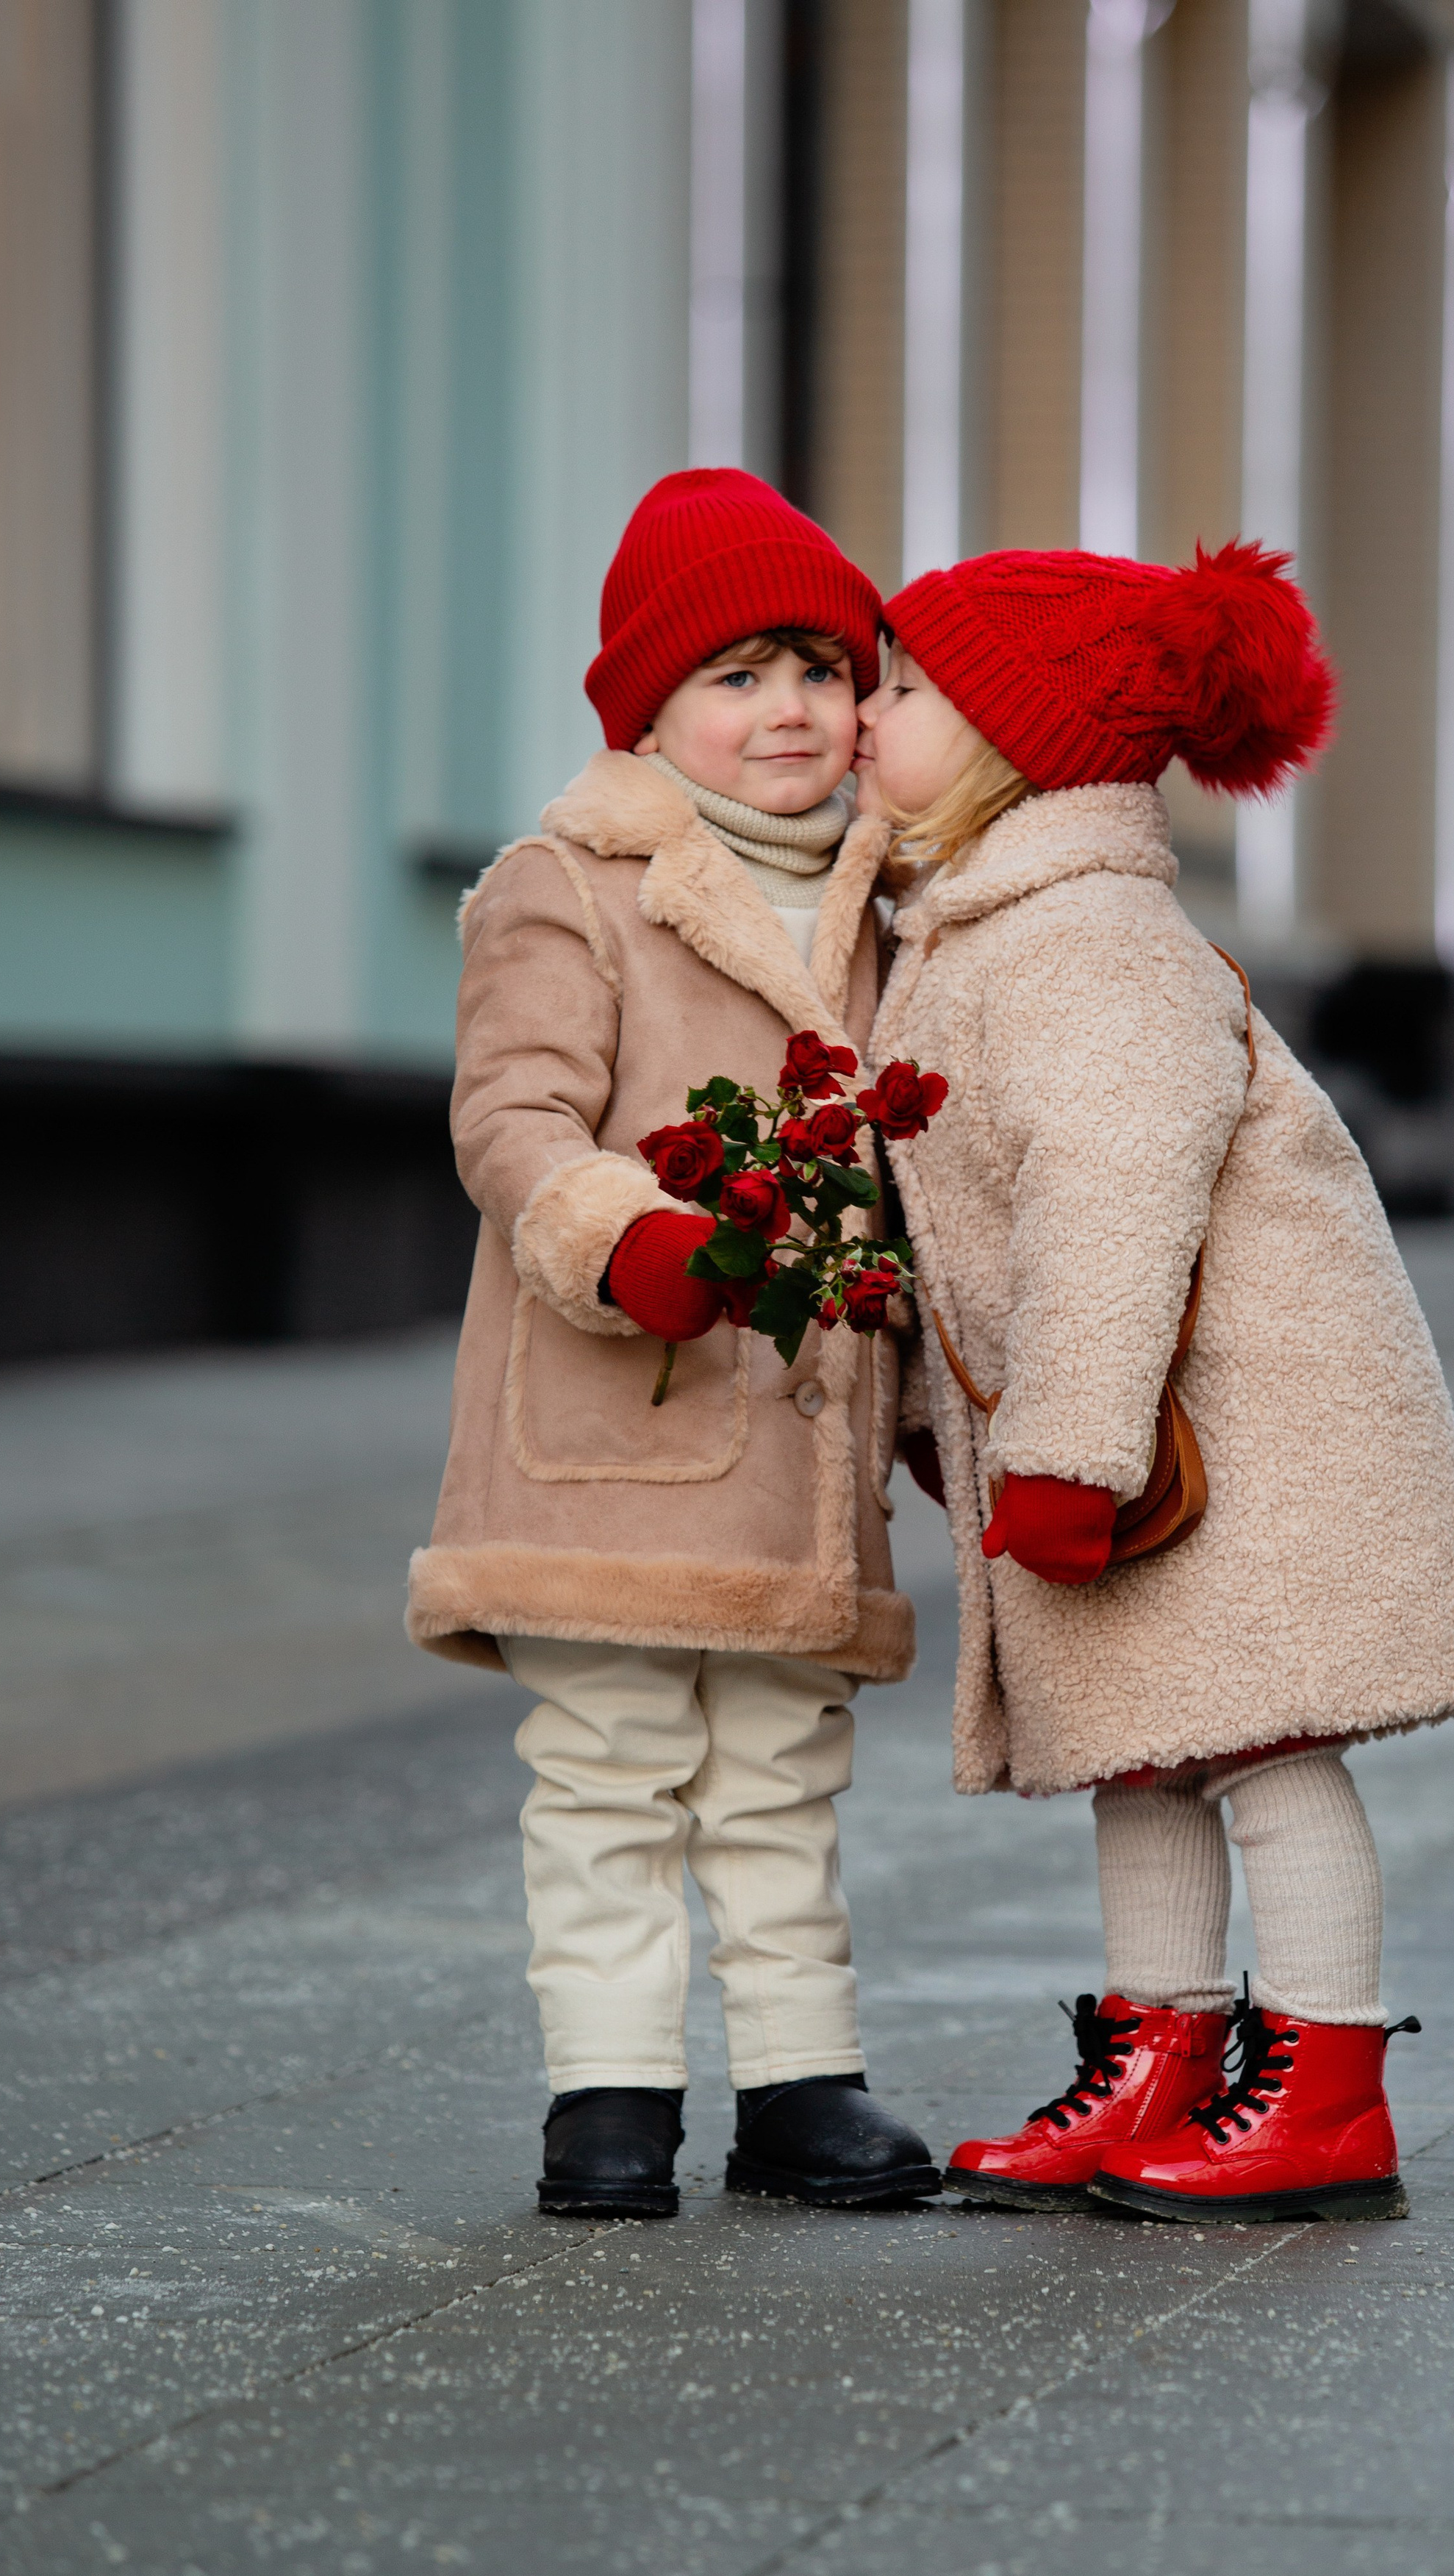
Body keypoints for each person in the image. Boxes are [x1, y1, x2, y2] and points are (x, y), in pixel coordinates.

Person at [854, 543, 1454, 2225]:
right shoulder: (980, 931)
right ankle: (1164, 2054)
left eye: (907, 689)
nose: (865, 714)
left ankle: (1324, 2085)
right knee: (1146, 1748)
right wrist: (959, 1434)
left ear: (1019, 738)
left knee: (1267, 1754)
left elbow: (1110, 1198)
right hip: (1142, 1439)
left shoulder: (1087, 941)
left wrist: (1065, 1450)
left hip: (1234, 1432)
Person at [408, 468, 939, 2219]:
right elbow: (512, 1118)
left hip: (796, 1446)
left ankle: (799, 2083)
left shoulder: (892, 902)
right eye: (733, 675)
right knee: (612, 1770)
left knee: (782, 1775)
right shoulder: (571, 886)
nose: (785, 708)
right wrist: (621, 1231)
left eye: (817, 667)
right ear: (648, 709)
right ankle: (610, 2098)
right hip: (616, 1426)